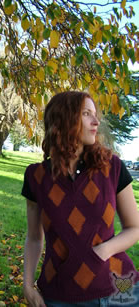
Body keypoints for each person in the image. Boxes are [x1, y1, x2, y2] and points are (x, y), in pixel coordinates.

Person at [21, 91, 139, 306]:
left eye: (95, 114)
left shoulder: (113, 168)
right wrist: (27, 285)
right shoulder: (36, 177)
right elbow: (34, 238)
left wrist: (102, 251)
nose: (96, 121)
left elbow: (135, 228)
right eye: (86, 114)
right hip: (61, 294)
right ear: (63, 118)